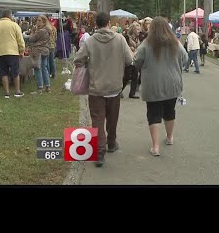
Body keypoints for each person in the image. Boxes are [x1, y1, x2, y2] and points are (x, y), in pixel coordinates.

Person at [73, 12, 133, 167]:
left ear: (96, 25)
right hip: (114, 87)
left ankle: (100, 153)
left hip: (96, 88)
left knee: (97, 120)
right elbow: (129, 60)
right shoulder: (120, 39)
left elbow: (78, 59)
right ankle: (111, 143)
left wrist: (88, 65)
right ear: (108, 23)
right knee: (113, 118)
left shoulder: (90, 41)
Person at [133, 16, 188, 157]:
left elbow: (137, 61)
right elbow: (185, 58)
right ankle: (169, 138)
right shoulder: (175, 43)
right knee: (170, 112)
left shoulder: (146, 44)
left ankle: (155, 146)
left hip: (153, 85)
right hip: (173, 84)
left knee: (154, 114)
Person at [0, 9, 25, 98]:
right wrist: (21, 51)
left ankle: (7, 92)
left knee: (3, 73)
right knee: (15, 72)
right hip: (12, 51)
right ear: (10, 16)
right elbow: (20, 40)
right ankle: (17, 91)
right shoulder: (14, 25)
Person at [27, 15, 52, 93]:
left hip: (38, 51)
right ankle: (47, 86)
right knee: (44, 68)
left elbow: (31, 39)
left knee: (37, 68)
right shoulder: (47, 30)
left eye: (39, 20)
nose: (37, 22)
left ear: (44, 22)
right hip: (45, 50)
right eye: (37, 20)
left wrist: (32, 32)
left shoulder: (41, 31)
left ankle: (40, 88)